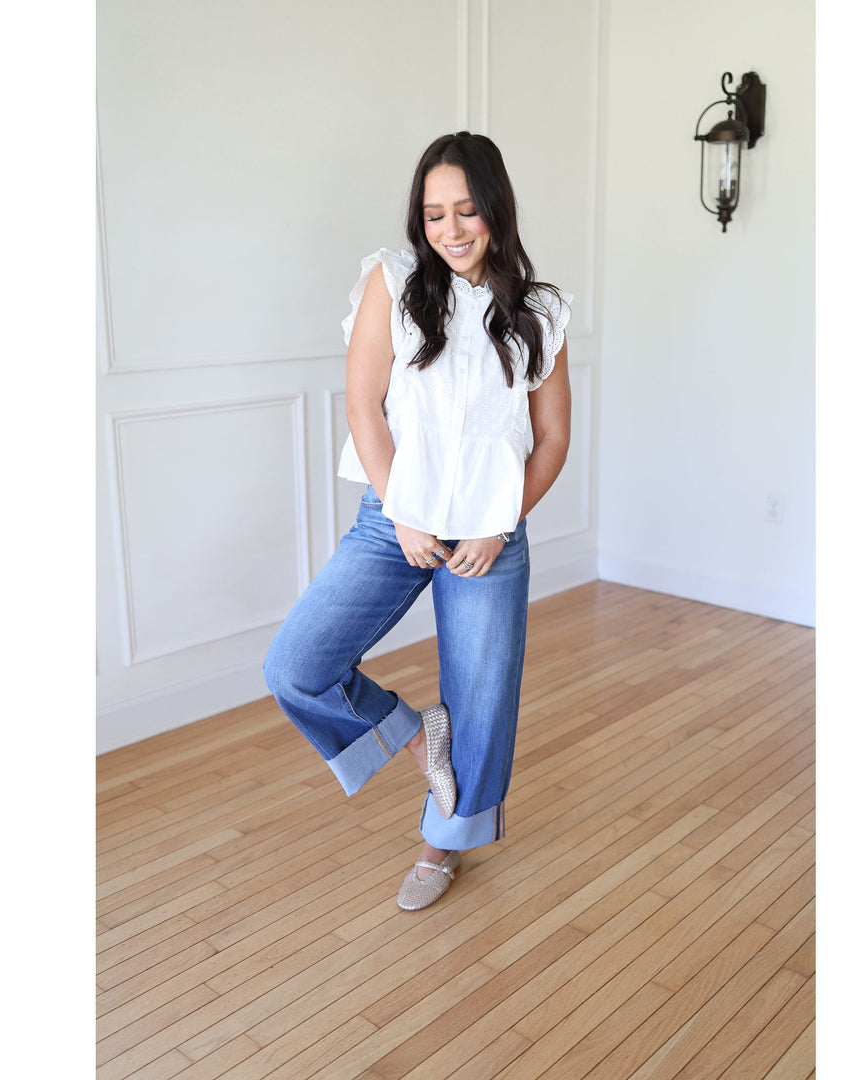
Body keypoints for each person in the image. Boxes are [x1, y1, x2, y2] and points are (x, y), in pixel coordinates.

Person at [263, 131, 572, 910]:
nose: (451, 229)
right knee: (296, 664)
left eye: (467, 211)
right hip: (393, 518)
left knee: (482, 701)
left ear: (495, 211)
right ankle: (412, 734)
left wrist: (498, 526)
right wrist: (401, 513)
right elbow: (363, 406)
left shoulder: (541, 310)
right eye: (435, 213)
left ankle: (442, 848)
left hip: (487, 534)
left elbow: (554, 438)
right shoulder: (392, 281)